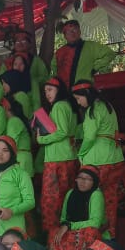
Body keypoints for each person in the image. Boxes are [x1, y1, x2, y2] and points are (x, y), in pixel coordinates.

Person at [73, 82, 122, 235]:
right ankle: (111, 235)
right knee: (110, 200)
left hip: (97, 160)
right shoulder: (108, 106)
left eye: (79, 98)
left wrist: (80, 153)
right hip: (115, 157)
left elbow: (89, 137)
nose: (78, 102)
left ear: (86, 94)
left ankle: (95, 236)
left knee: (94, 199)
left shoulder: (92, 110)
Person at [36, 77, 79, 237]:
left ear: (58, 90)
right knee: (65, 196)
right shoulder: (69, 106)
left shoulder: (59, 106)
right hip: (67, 156)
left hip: (57, 159)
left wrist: (42, 139)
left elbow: (61, 131)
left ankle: (51, 234)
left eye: (50, 90)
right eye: (45, 90)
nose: (47, 93)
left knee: (51, 199)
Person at [49, 166, 105, 250]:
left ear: (94, 182)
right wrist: (65, 225)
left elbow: (95, 222)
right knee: (54, 232)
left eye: (88, 179)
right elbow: (63, 218)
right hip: (72, 228)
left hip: (87, 228)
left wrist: (69, 226)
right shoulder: (71, 193)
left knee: (90, 232)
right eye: (80, 178)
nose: (83, 182)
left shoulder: (96, 195)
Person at [51, 20, 116, 90]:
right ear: (65, 35)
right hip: (64, 92)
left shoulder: (91, 46)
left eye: (75, 29)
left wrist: (95, 67)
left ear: (79, 31)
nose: (72, 33)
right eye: (69, 31)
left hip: (84, 90)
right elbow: (53, 71)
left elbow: (110, 53)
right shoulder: (60, 52)